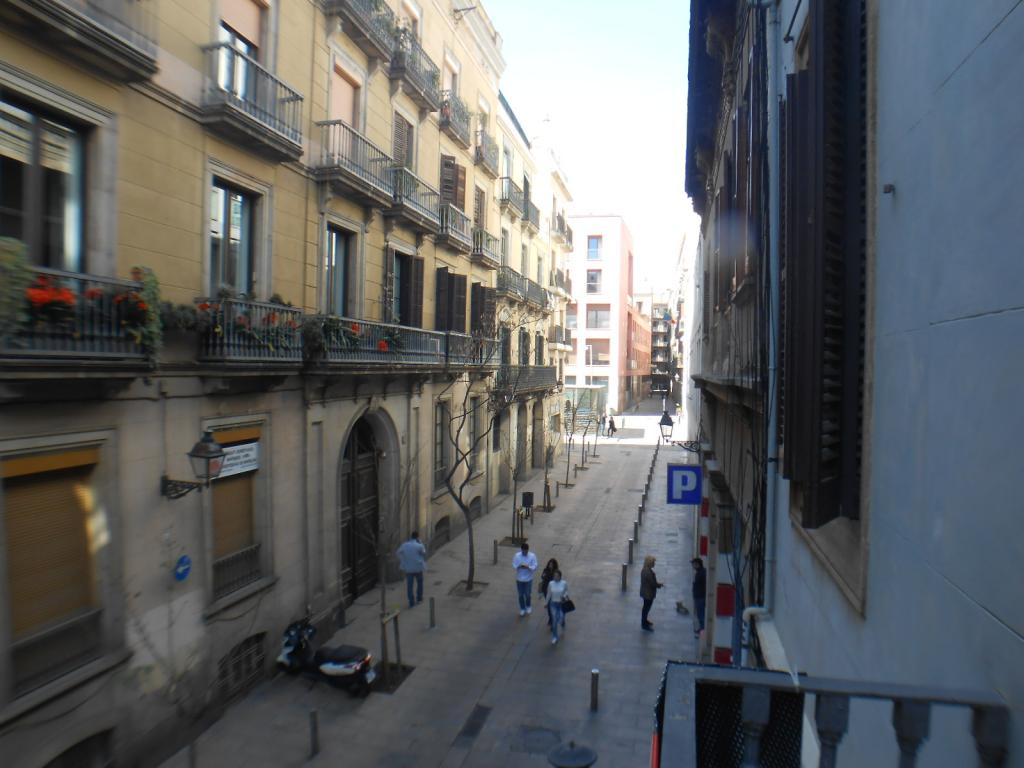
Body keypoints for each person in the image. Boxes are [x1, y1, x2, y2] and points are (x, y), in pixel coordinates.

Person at [396, 532, 427, 609]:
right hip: (418, 568)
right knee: (420, 583)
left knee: (409, 586)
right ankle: (419, 599)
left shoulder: (404, 545)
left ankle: (411, 602)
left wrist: (403, 560)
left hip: (409, 568)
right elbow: (424, 553)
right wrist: (421, 543)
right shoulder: (419, 545)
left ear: (411, 537)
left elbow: (398, 552)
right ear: (417, 537)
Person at [512, 542, 538, 616]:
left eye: (526, 551)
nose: (525, 552)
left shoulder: (532, 556)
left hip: (528, 579)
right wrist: (519, 566)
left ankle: (528, 606)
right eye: (523, 551)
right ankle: (522, 608)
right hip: (519, 579)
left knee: (527, 594)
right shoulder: (517, 556)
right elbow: (514, 565)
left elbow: (535, 566)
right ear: (521, 550)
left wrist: (528, 567)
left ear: (528, 550)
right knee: (520, 595)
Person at [639, 555, 664, 631]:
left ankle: (645, 620)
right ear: (649, 563)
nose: (654, 564)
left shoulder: (645, 570)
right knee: (646, 608)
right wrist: (659, 585)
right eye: (653, 562)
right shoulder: (648, 572)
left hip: (646, 592)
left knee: (646, 607)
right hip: (648, 593)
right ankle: (644, 624)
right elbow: (652, 583)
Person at [546, 569, 569, 645]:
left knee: (561, 617)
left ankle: (562, 623)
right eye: (554, 576)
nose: (555, 577)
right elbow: (549, 593)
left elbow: (566, 592)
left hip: (561, 604)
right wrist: (546, 602)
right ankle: (554, 637)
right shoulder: (551, 583)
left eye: (557, 576)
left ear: (560, 576)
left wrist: (564, 596)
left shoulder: (564, 583)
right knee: (554, 620)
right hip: (553, 604)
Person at [539, 558, 560, 627]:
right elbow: (542, 577)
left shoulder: (556, 572)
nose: (550, 565)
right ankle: (551, 618)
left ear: (554, 565)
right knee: (548, 606)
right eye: (549, 564)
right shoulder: (546, 570)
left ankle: (553, 619)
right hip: (546, 590)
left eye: (551, 564)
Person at [692, 557, 707, 638]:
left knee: (701, 615)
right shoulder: (700, 572)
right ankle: (701, 629)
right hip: (698, 596)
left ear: (698, 564)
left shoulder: (702, 573)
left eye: (694, 564)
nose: (693, 566)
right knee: (699, 614)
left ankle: (702, 631)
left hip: (700, 597)